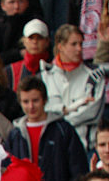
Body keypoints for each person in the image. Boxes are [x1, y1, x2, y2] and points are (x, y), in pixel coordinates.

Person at [41, 24, 107, 152]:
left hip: (85, 148)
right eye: (73, 44)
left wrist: (60, 118)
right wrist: (70, 108)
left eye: (81, 44)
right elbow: (46, 110)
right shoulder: (46, 75)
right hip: (55, 148)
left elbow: (91, 113)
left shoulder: (95, 75)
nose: (79, 49)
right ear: (60, 46)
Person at [6, 18, 50, 91]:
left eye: (39, 38)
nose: (35, 42)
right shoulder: (11, 71)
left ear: (47, 41)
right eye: (31, 38)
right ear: (24, 41)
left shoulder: (54, 69)